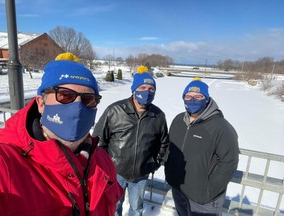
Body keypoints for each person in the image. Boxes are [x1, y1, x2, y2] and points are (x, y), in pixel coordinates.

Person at [0, 52, 123, 216]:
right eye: (65, 95)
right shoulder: (4, 166)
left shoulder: (103, 162)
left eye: (88, 99)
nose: (77, 106)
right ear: (41, 104)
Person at [92, 65, 169, 216]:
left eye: (151, 89)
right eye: (142, 87)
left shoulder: (158, 115)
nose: (147, 91)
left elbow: (164, 144)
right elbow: (99, 141)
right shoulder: (115, 110)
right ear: (134, 89)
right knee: (114, 207)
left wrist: (153, 163)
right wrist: (107, 165)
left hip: (141, 175)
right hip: (115, 172)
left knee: (137, 209)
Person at [165, 77, 239, 216]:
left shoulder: (221, 127)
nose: (192, 100)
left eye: (198, 96)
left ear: (206, 99)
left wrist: (209, 191)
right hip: (179, 189)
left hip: (204, 200)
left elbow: (229, 162)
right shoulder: (178, 120)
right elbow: (171, 147)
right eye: (188, 96)